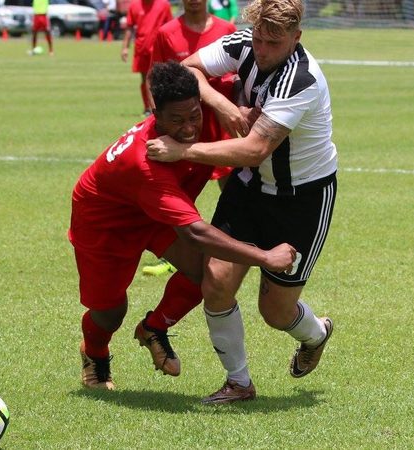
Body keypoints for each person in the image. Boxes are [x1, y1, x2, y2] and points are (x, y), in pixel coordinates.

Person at [147, 0, 338, 404]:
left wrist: (184, 151)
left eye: (274, 41)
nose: (263, 49)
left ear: (296, 38)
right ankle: (239, 383)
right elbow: (187, 68)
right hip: (250, 188)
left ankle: (317, 333)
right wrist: (226, 106)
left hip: (301, 199)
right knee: (215, 281)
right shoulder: (244, 44)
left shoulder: (299, 80)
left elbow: (253, 149)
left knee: (276, 313)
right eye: (259, 38)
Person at [69, 61, 297, 391]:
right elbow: (195, 233)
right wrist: (264, 257)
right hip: (106, 222)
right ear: (154, 114)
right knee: (110, 312)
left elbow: (195, 68)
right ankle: (95, 353)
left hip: (153, 211)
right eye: (176, 120)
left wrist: (220, 104)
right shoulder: (146, 164)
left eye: (194, 116)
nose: (189, 127)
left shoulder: (198, 109)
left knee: (203, 273)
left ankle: (153, 328)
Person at [140, 0, 237, 278]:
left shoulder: (226, 29)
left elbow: (234, 76)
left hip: (217, 123)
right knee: (176, 190)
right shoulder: (166, 32)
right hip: (179, 128)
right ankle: (175, 253)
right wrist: (157, 120)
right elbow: (154, 78)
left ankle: (234, 247)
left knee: (232, 188)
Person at [121, 0, 173, 116]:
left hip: (159, 48)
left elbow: (171, 26)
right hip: (142, 48)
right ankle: (148, 108)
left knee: (163, 79)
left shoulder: (164, 4)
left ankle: (163, 107)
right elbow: (129, 27)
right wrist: (125, 47)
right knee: (145, 80)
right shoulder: (134, 5)